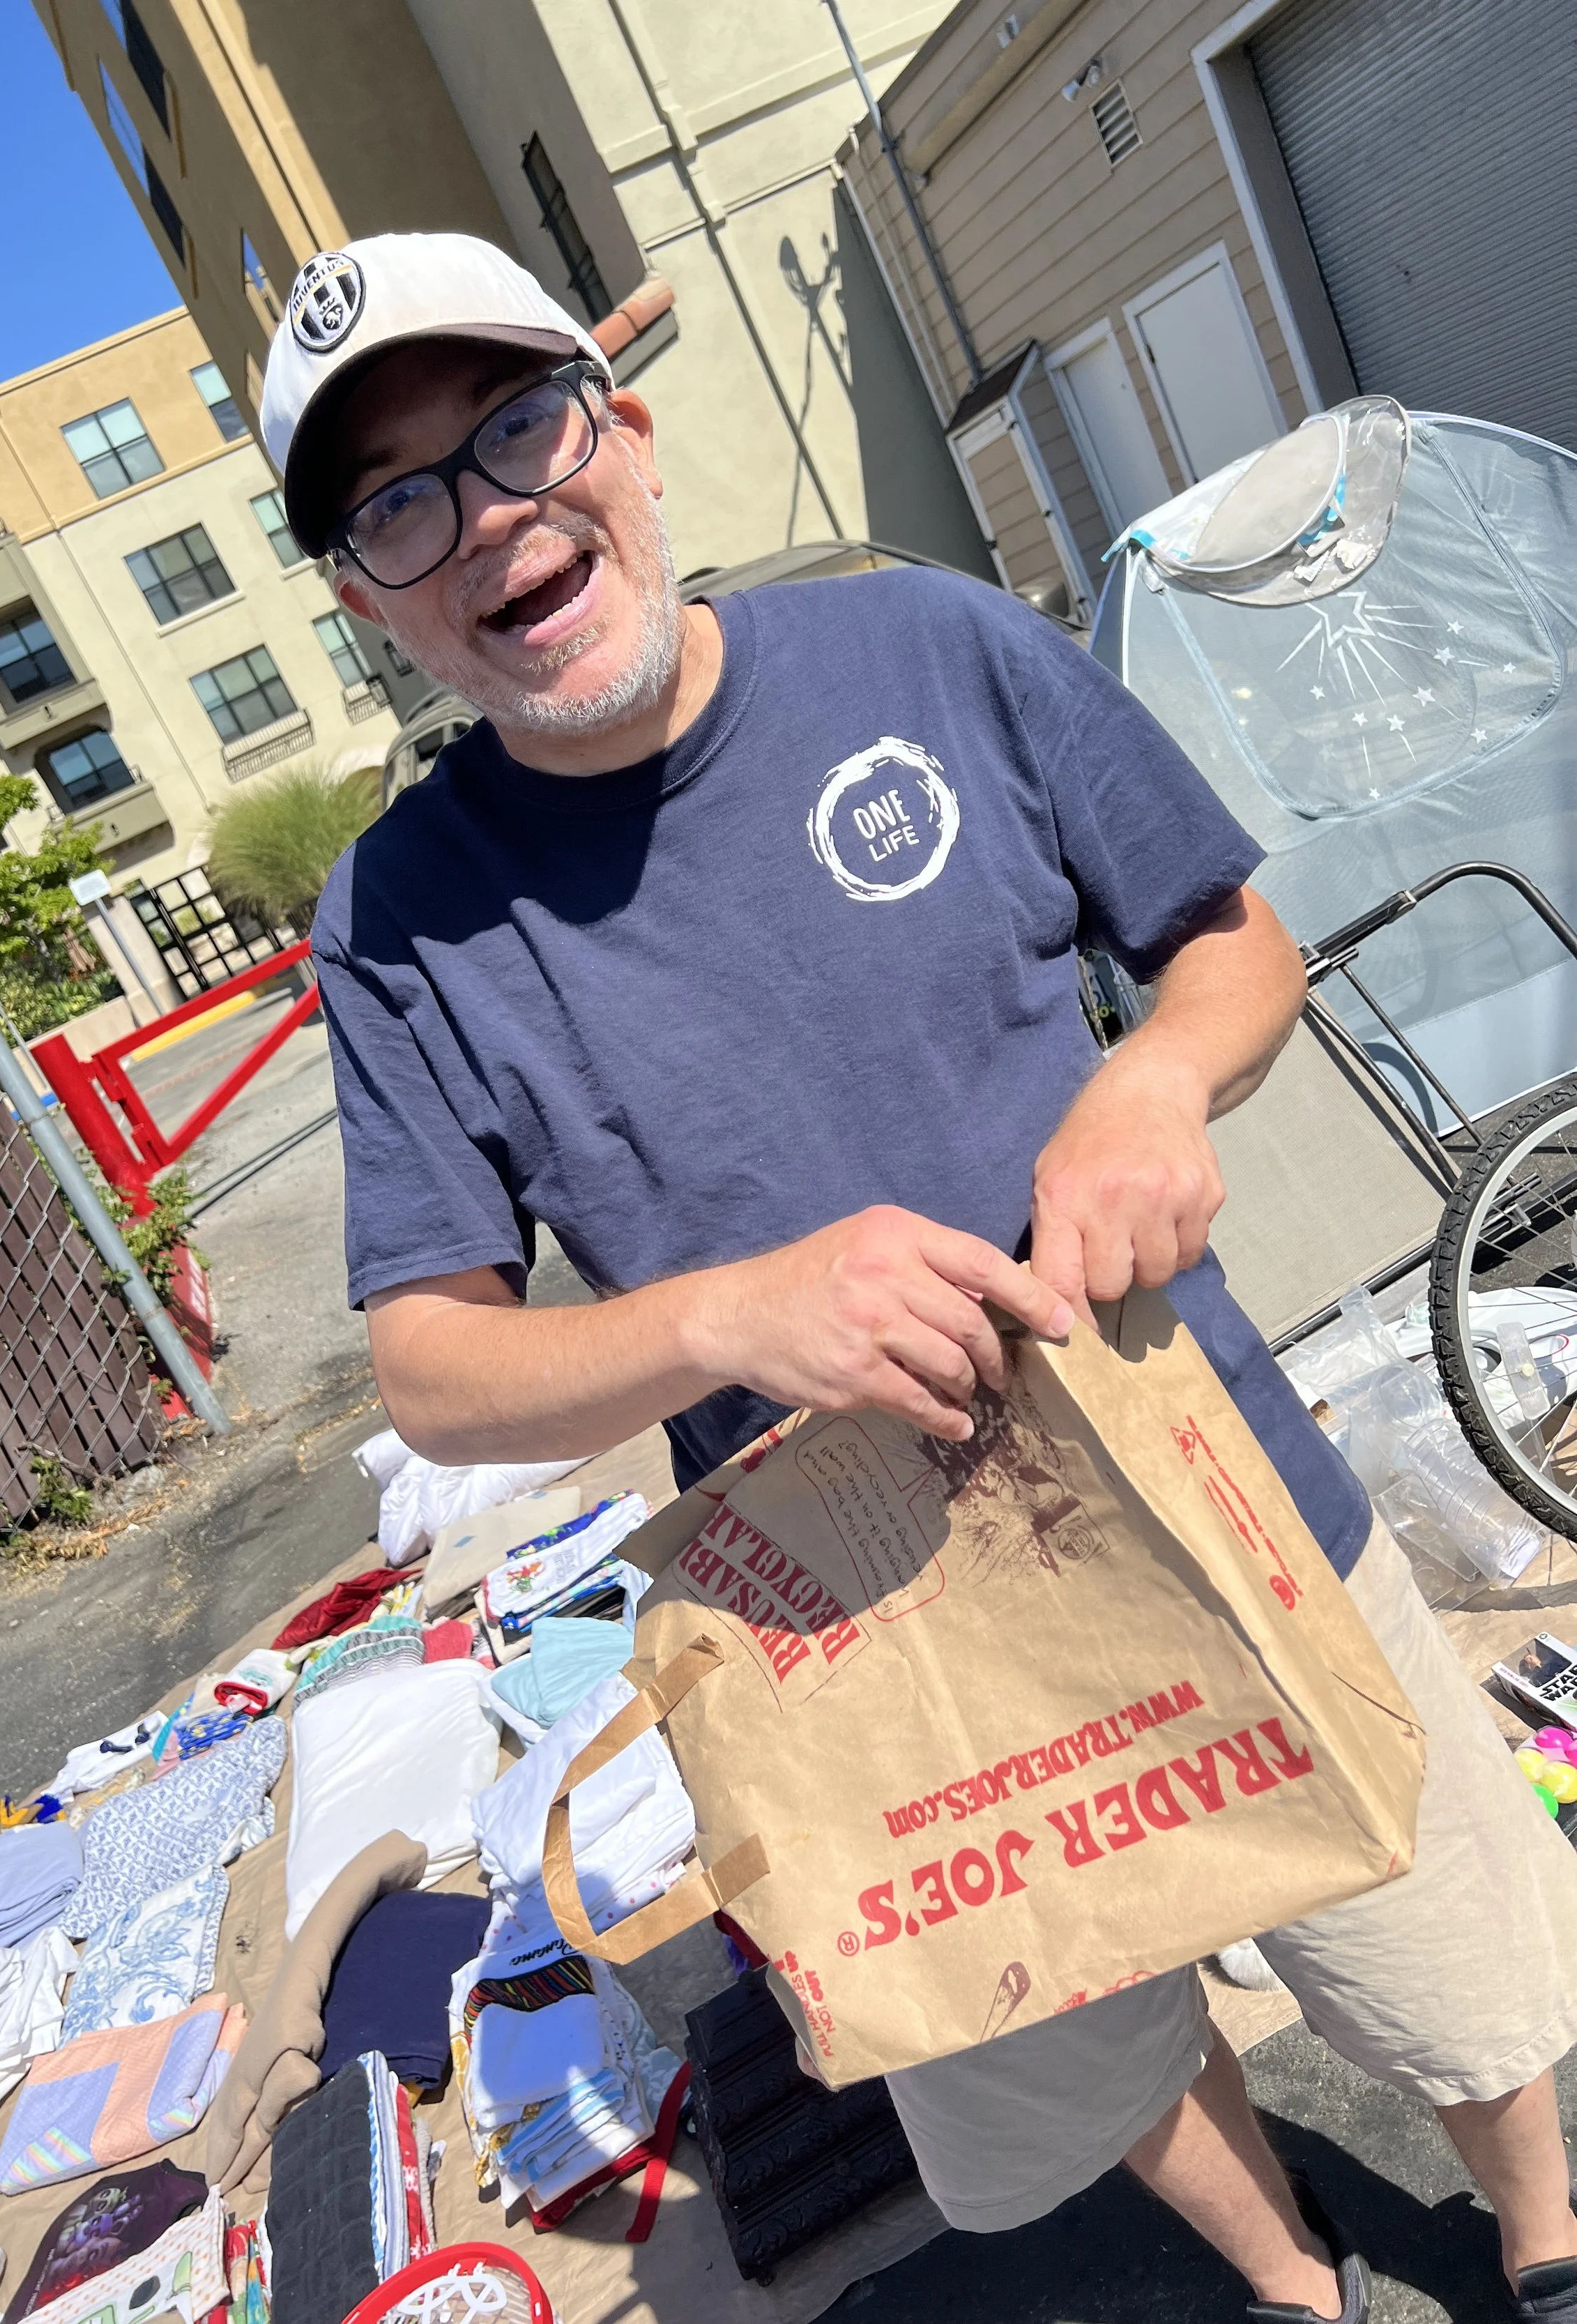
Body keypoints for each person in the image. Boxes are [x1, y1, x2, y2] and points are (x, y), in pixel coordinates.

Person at [261, 231, 1577, 2323]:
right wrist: (715, 1315)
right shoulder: (398, 921)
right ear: (364, 598)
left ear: (622, 429)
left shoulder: (925, 652)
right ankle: (1292, 2283)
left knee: (1445, 1922)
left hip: (1203, 1462)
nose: (489, 517)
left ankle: (1541, 2235)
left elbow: (1227, 942)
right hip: (868, 1620)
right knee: (1081, 2018)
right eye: (398, 499)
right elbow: (429, 1362)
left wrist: (1149, 1080)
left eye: (514, 424)